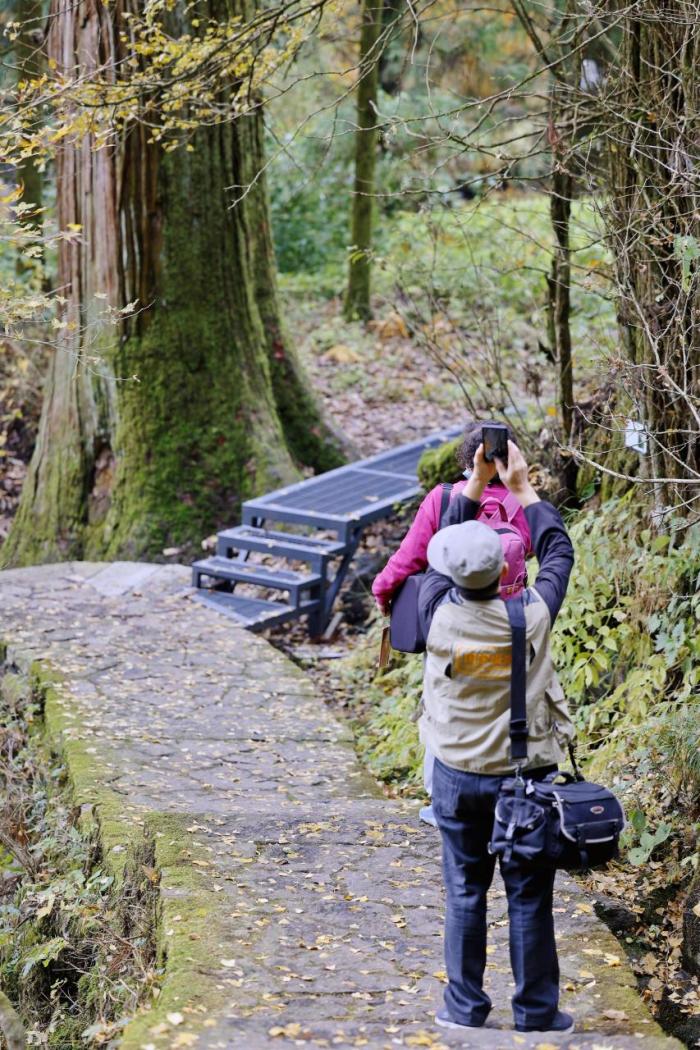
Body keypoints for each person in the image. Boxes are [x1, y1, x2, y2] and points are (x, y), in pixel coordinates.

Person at [418, 440, 576, 1035]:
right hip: (524, 778)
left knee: (464, 891)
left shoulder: (436, 610)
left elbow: (447, 550)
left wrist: (477, 483)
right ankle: (537, 1014)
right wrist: (521, 488)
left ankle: (465, 1010)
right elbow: (559, 552)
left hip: (456, 776)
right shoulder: (533, 613)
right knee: (529, 898)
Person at [371, 421, 533, 616]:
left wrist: (382, 590)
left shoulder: (444, 497)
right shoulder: (524, 500)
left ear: (468, 460)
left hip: (451, 616)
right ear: (513, 457)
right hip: (509, 617)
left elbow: (411, 556)